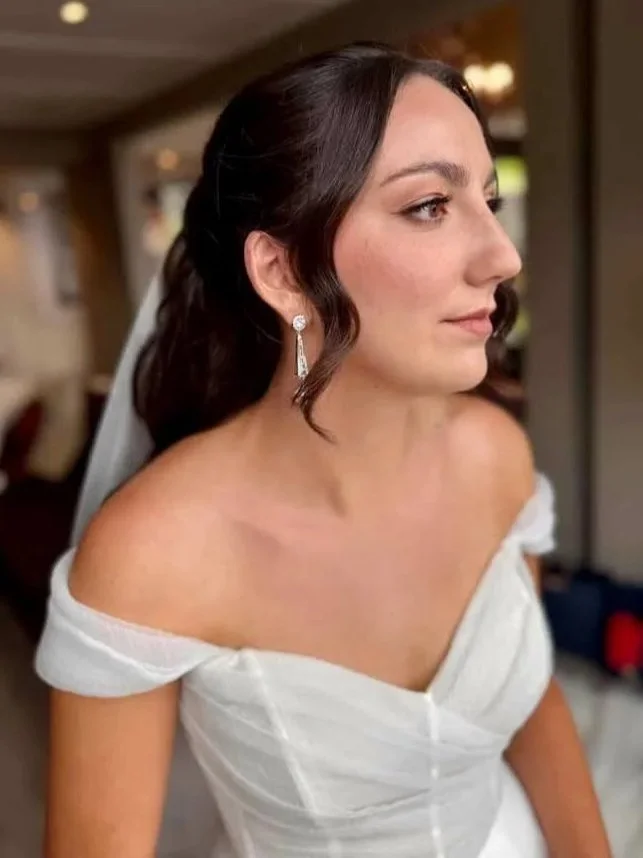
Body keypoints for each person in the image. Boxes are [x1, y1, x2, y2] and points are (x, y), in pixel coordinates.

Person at [34, 42, 611, 858]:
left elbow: (533, 704)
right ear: (283, 271)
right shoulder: (155, 552)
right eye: (428, 206)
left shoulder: (493, 454)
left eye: (486, 199)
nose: (503, 256)